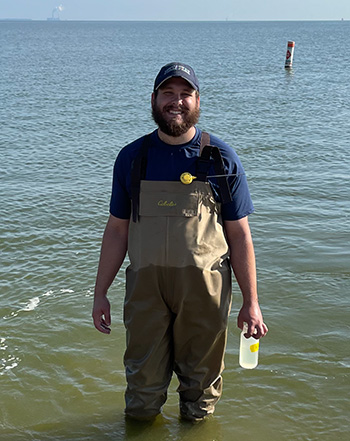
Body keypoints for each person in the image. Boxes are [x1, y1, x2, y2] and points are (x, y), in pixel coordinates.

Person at [92, 62, 268, 422]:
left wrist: (251, 302)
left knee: (200, 394)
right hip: (146, 289)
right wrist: (100, 293)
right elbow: (117, 230)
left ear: (197, 101)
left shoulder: (221, 157)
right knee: (141, 391)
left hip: (205, 291)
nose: (177, 102)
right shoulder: (132, 158)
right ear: (154, 100)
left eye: (185, 94)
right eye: (168, 94)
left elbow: (239, 234)